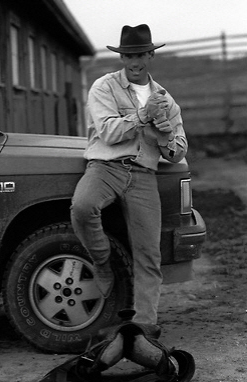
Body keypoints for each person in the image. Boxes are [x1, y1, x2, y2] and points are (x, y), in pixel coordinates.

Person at [71, 24, 187, 326]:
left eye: (141, 55)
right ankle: (102, 262)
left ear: (151, 55)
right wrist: (143, 115)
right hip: (105, 167)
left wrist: (164, 138)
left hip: (144, 176)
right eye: (129, 55)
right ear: (122, 57)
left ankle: (144, 329)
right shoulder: (103, 87)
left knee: (149, 255)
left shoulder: (166, 100)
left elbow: (178, 151)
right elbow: (108, 132)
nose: (135, 62)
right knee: (83, 207)